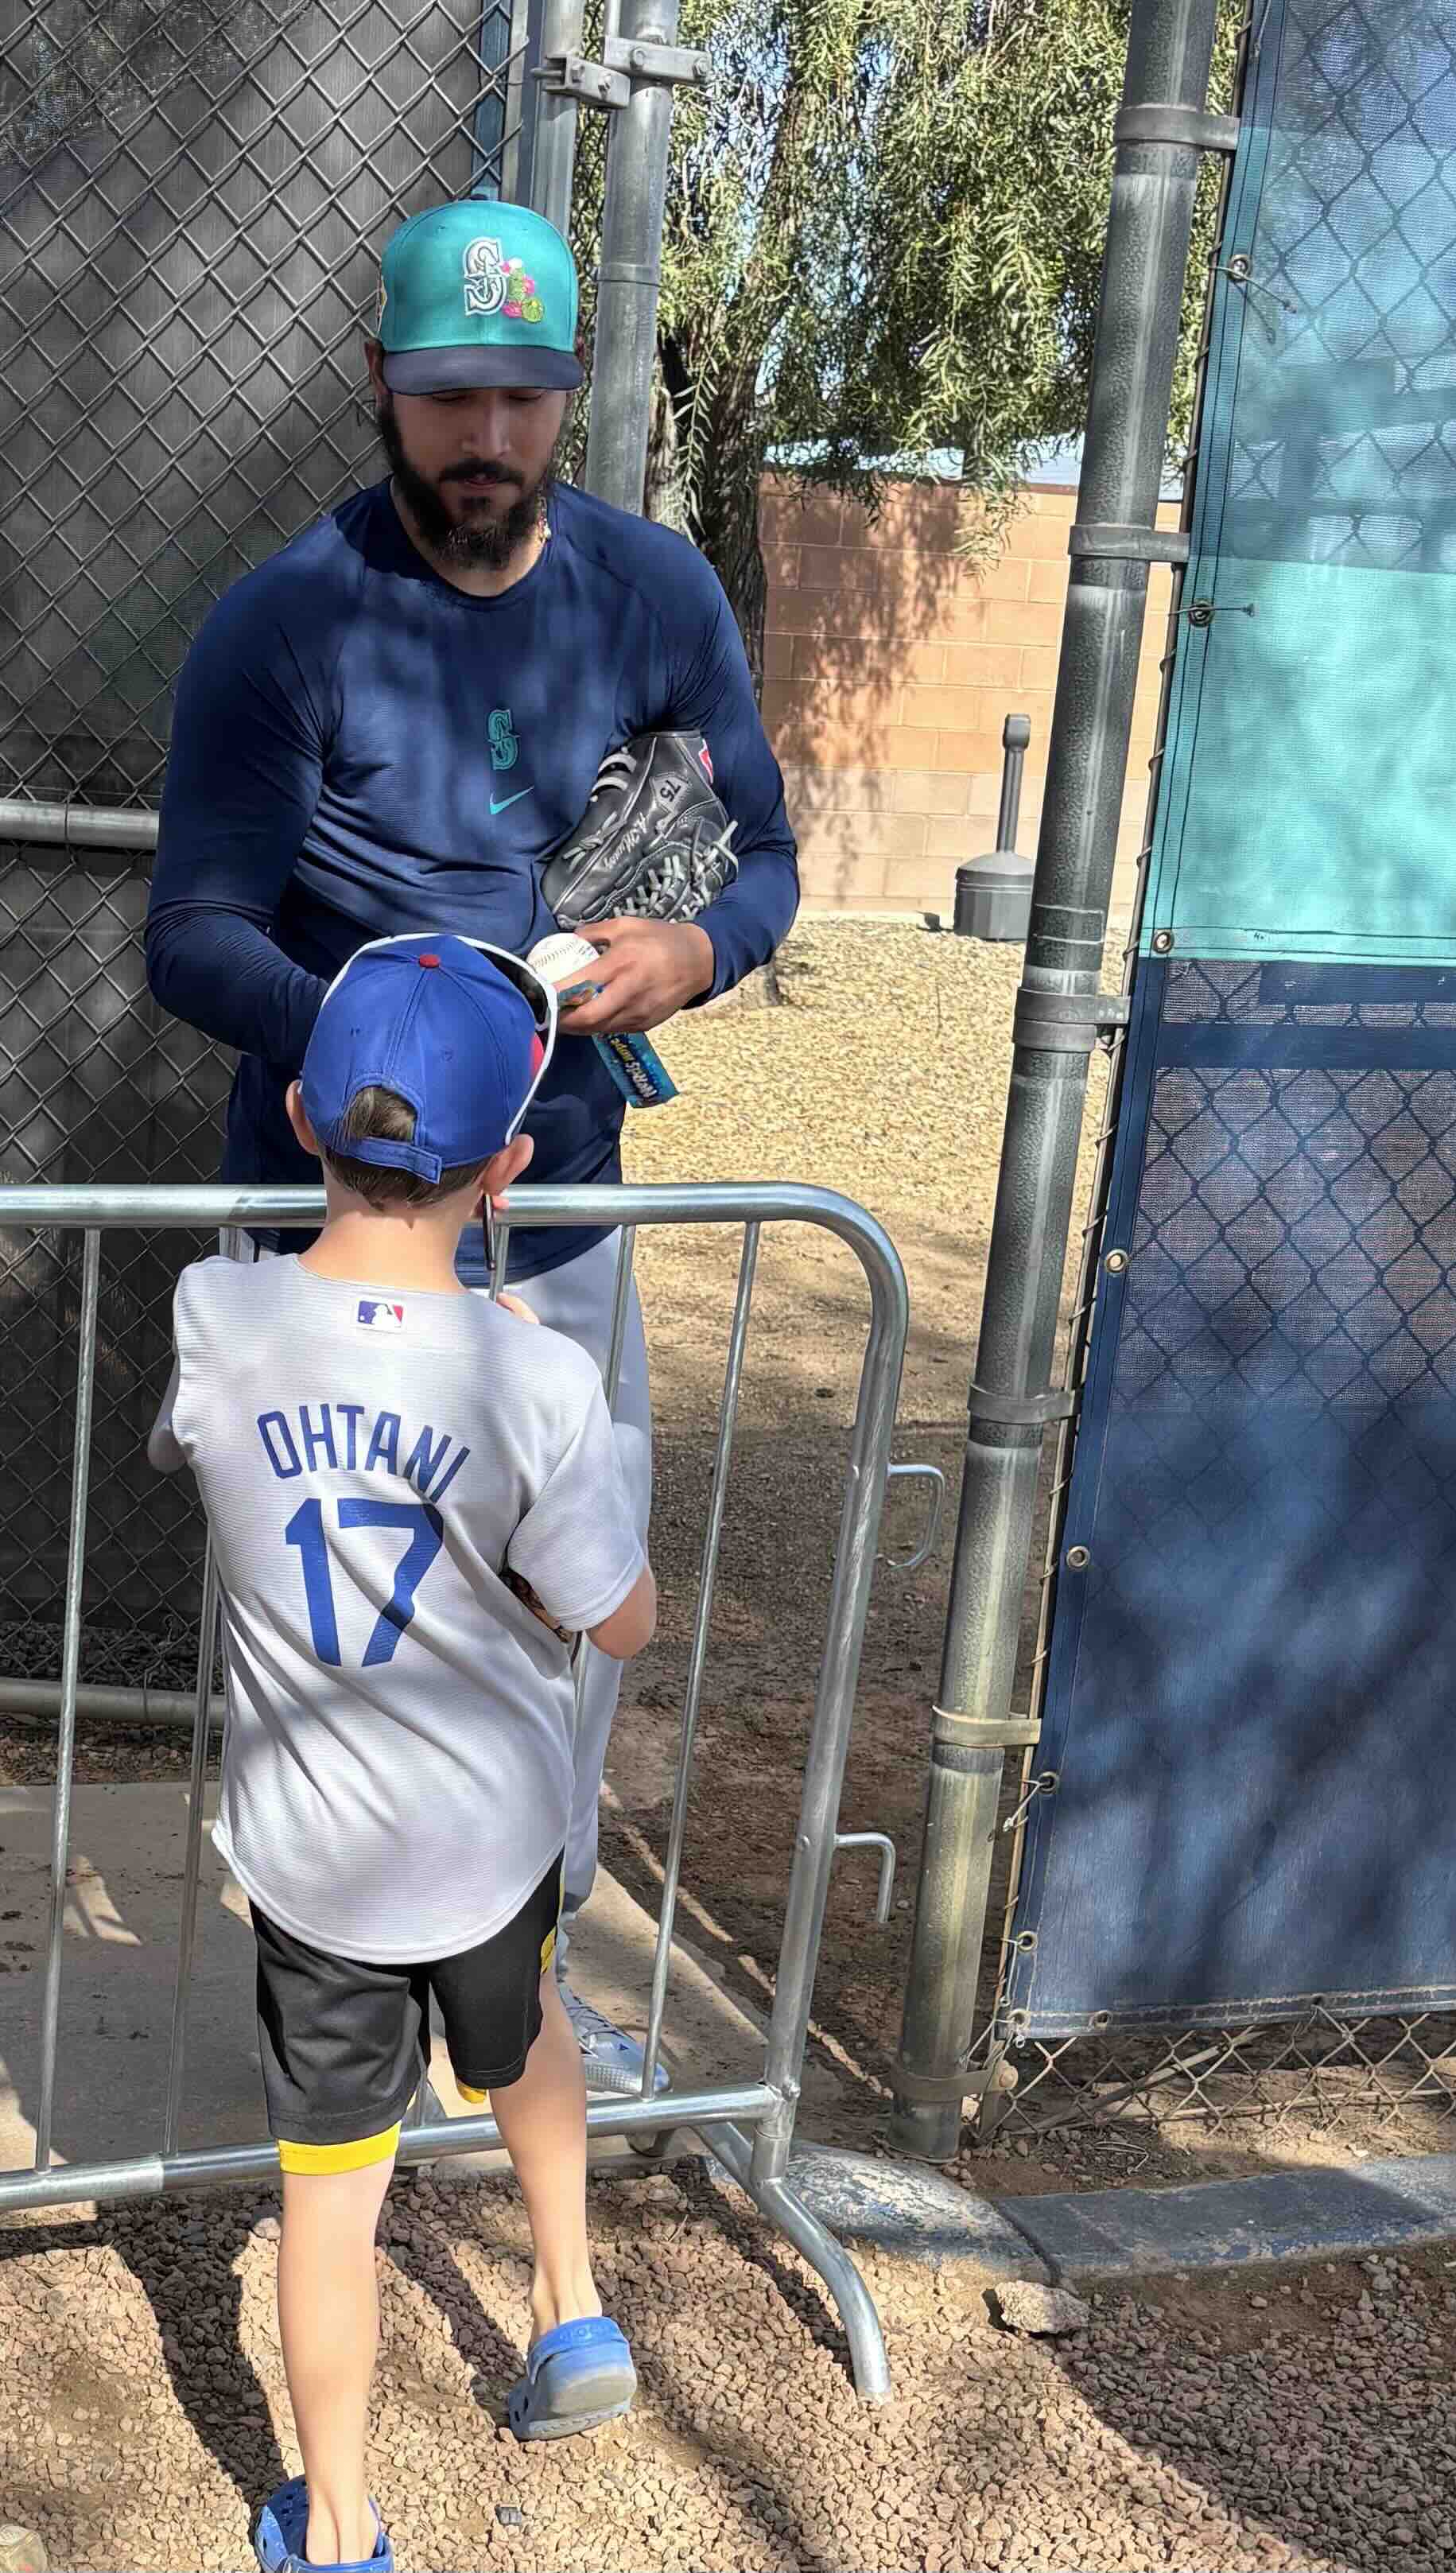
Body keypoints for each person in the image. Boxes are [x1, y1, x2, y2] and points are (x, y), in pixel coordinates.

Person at [143, 196, 798, 2087]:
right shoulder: (287, 621)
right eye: (447, 398)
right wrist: (400, 1051)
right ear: (382, 387)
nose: (485, 440)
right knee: (346, 1631)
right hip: (330, 1218)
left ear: (571, 389)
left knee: (571, 1610)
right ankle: (330, 2002)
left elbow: (760, 858)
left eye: (518, 395)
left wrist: (692, 950)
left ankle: (516, 2008)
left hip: (559, 1216)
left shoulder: (655, 593)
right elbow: (195, 932)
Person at [148, 934, 658, 2573]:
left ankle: (347, 2523)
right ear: (508, 1161)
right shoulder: (535, 1374)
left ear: (301, 1115)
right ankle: (570, 2303)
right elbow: (623, 1618)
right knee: (520, 2036)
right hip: (492, 1836)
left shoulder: (217, 1311)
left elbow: (204, 1437)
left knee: (330, 2207)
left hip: (317, 1862)